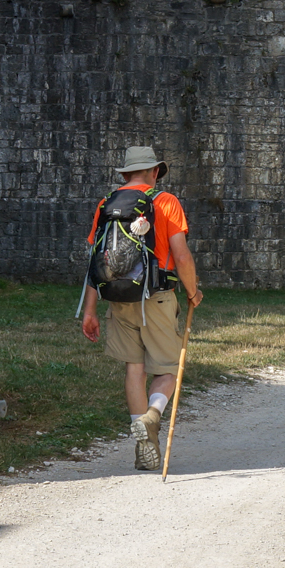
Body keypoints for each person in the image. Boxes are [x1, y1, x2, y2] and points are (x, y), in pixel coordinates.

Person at [80, 146, 204, 471]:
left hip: (118, 297)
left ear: (124, 175)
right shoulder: (165, 202)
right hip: (158, 298)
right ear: (154, 172)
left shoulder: (106, 205)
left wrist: (89, 311)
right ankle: (152, 415)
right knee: (168, 369)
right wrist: (192, 291)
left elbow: (97, 261)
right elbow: (182, 255)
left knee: (134, 369)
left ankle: (143, 444)